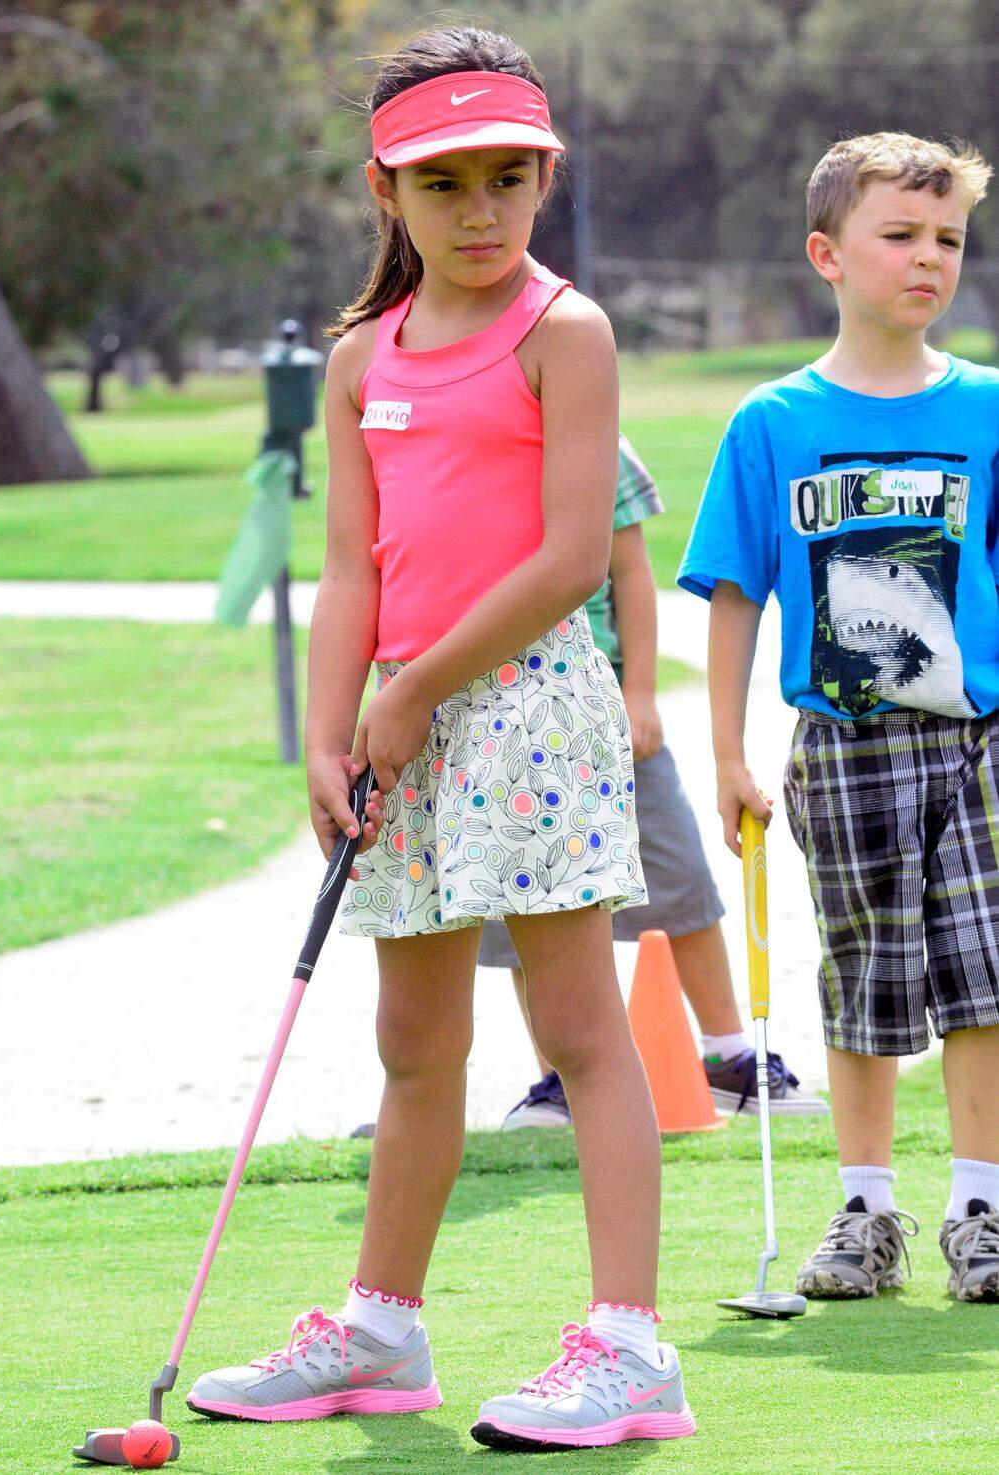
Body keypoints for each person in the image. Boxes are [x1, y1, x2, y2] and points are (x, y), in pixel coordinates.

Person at [187, 26, 695, 1449]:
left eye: (506, 180)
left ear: (545, 179)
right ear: (385, 193)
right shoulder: (363, 357)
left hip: (528, 702)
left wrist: (410, 696)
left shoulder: (565, 331)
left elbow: (573, 555)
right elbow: (352, 564)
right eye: (443, 184)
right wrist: (328, 729)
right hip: (403, 718)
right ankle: (381, 1327)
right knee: (413, 1034)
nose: (479, 212)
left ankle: (631, 1346)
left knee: (581, 1024)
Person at [678, 132, 999, 1304]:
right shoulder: (773, 421)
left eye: (949, 240)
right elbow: (733, 592)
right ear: (829, 253)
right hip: (842, 750)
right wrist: (726, 750)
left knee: (987, 974)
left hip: (976, 743)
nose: (929, 259)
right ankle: (867, 1208)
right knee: (866, 977)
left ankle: (983, 1206)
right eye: (900, 236)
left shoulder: (989, 408)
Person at [483, 434, 826, 1129]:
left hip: (601, 706)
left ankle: (731, 1058)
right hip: (496, 714)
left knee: (678, 881)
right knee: (528, 902)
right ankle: (558, 1076)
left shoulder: (593, 438)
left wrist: (638, 691)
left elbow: (632, 573)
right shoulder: (469, 438)